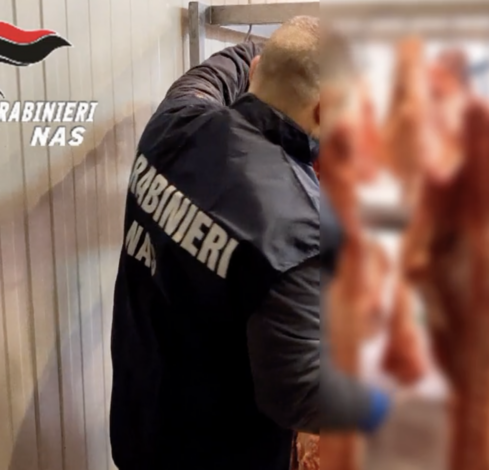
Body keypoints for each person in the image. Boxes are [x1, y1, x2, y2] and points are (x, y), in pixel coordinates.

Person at [110, 16, 391, 470]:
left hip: (139, 428)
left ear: (258, 68)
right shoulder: (299, 223)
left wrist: (287, 48)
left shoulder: (174, 121)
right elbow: (299, 392)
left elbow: (219, 69)